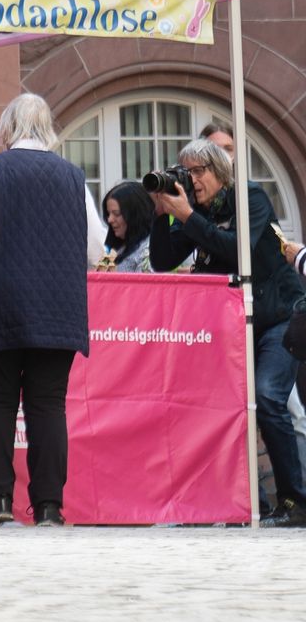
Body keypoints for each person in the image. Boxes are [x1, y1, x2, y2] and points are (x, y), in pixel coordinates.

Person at [0, 94, 106, 527]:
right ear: (49, 130)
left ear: (7, 129)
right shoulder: (73, 177)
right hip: (60, 306)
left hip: (1, 300)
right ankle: (50, 507)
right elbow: (96, 246)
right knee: (49, 404)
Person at [149, 136, 306, 527]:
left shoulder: (249, 198)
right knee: (216, 407)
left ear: (220, 171)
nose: (192, 180)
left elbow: (239, 250)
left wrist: (186, 217)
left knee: (268, 396)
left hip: (276, 317)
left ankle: (295, 500)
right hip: (230, 326)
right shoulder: (196, 209)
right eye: (186, 172)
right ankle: (235, 503)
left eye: (198, 171)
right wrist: (161, 212)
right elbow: (163, 259)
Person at [102, 181, 153, 272]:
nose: (110, 219)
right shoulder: (117, 245)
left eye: (116, 214)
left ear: (135, 215)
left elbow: (147, 285)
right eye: (108, 214)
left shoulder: (148, 251)